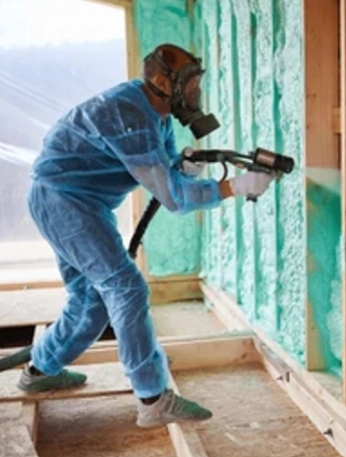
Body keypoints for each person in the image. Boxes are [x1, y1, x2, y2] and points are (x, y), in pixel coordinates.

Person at [19, 43, 273, 427]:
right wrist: (234, 187)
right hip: (65, 201)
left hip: (76, 201)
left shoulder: (158, 116)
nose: (196, 95)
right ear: (161, 81)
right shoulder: (130, 114)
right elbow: (173, 198)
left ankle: (40, 371)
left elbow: (168, 176)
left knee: (92, 299)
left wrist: (185, 167)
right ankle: (152, 399)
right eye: (190, 86)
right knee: (125, 288)